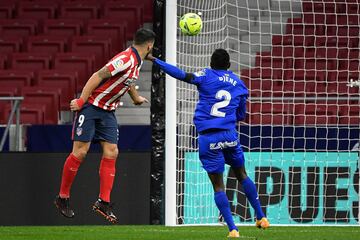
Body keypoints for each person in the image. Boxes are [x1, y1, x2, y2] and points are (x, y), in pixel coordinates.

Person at [147, 49, 269, 237]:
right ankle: (261, 217)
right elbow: (242, 115)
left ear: (211, 64)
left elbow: (182, 75)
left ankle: (233, 229)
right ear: (229, 66)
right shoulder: (239, 84)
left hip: (209, 137)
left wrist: (156, 61)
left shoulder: (205, 75)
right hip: (229, 135)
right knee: (242, 174)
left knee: (218, 185)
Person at [54, 28, 156, 224]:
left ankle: (103, 202)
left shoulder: (138, 60)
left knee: (112, 151)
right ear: (150, 45)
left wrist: (135, 98)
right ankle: (63, 197)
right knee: (80, 152)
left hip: (108, 111)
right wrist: (82, 100)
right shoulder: (126, 58)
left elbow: (128, 81)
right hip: (92, 107)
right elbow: (98, 75)